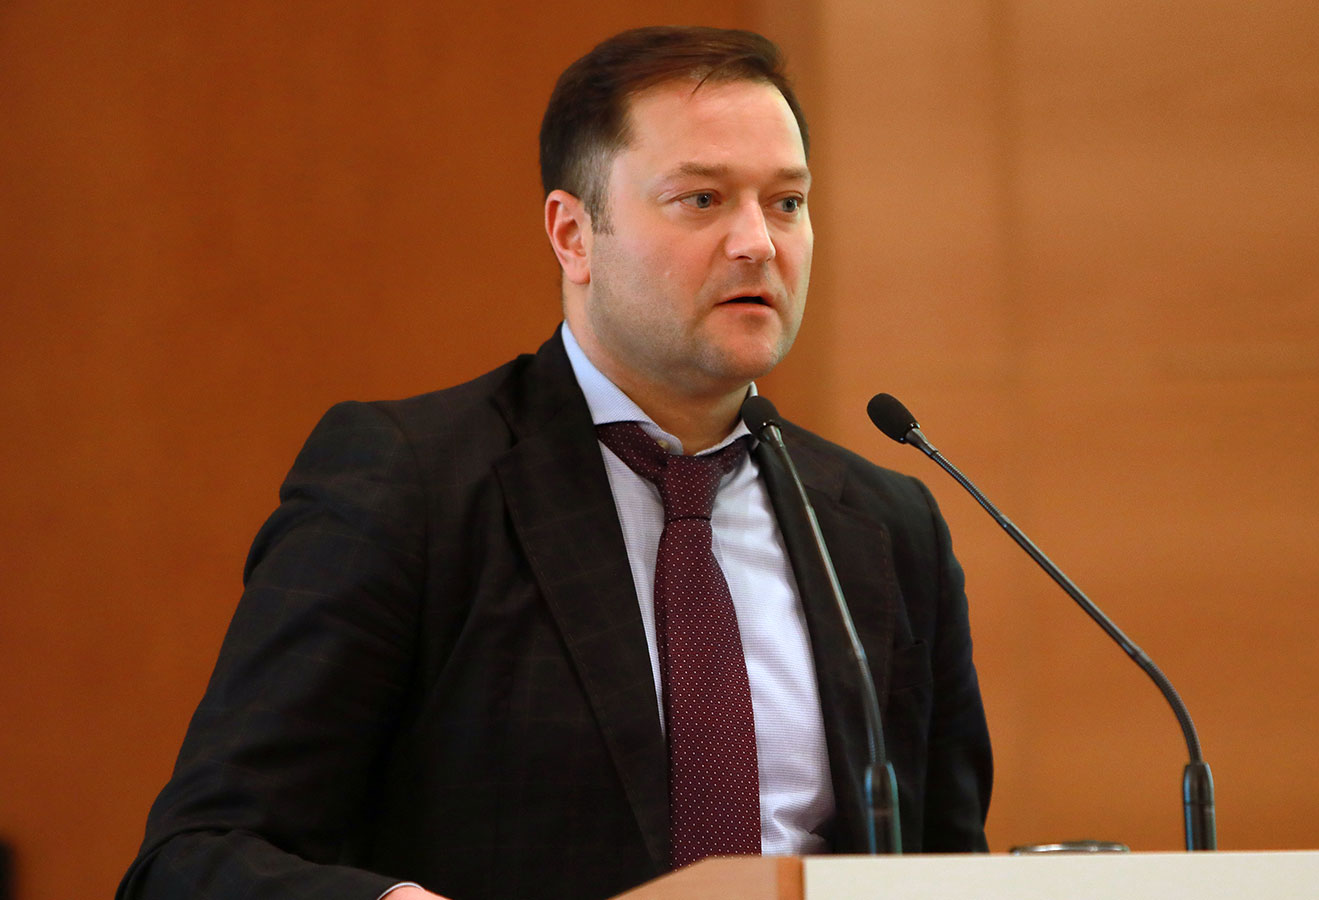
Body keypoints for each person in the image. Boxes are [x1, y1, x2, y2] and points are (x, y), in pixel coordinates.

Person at [118, 26, 991, 900]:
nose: (759, 242)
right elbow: (195, 859)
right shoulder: (413, 488)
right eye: (701, 199)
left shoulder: (886, 527)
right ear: (573, 234)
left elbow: (950, 866)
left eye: (788, 202)